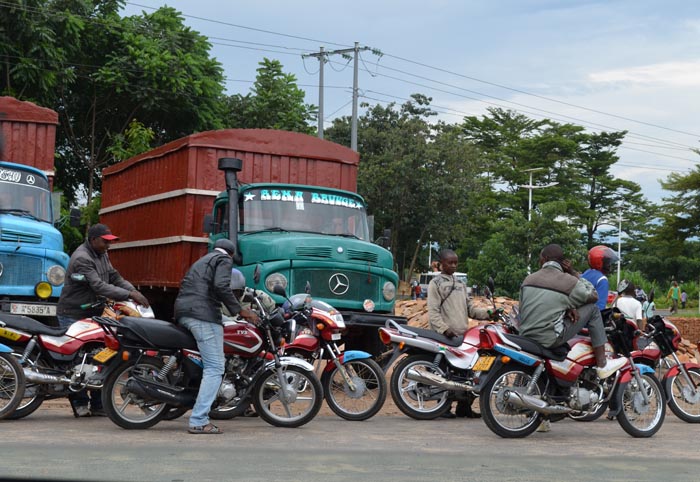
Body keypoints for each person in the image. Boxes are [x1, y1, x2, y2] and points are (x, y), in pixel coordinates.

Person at [57, 223, 150, 417]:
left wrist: (133, 291)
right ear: (93, 240)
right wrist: (129, 295)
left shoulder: (102, 254)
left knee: (100, 356)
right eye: (105, 242)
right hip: (73, 313)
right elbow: (99, 286)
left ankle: (98, 404)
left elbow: (115, 277)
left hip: (94, 312)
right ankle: (80, 403)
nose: (109, 246)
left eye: (110, 242)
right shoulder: (82, 258)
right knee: (78, 360)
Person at [174, 238, 260, 435]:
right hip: (202, 315)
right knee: (215, 367)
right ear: (231, 253)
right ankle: (198, 420)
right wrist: (241, 311)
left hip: (185, 312)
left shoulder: (203, 260)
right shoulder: (224, 260)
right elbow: (222, 286)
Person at [518, 244, 626, 380]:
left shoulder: (528, 279)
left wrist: (569, 308)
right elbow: (593, 296)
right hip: (549, 338)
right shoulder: (568, 280)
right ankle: (602, 363)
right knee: (592, 310)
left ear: (544, 259)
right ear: (563, 262)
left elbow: (528, 307)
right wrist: (573, 273)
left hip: (525, 335)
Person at [427, 249, 491, 418]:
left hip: (463, 335)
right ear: (441, 263)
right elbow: (433, 312)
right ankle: (443, 408)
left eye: (456, 262)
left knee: (470, 372)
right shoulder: (436, 283)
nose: (454, 265)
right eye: (450, 262)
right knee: (446, 373)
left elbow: (471, 309)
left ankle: (465, 407)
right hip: (445, 336)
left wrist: (489, 314)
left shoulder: (461, 284)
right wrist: (444, 329)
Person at [581, 245, 619, 311]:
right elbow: (600, 308)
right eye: (607, 262)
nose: (609, 265)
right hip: (591, 317)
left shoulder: (585, 274)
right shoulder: (602, 279)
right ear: (599, 262)